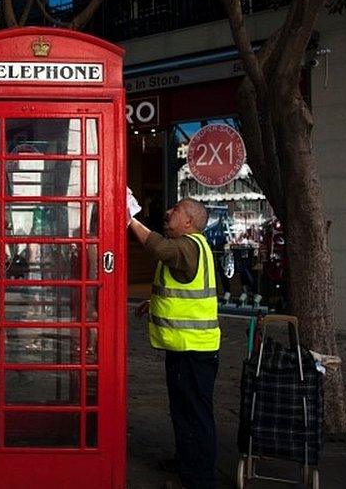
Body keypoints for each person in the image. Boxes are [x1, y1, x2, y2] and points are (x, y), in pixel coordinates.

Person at [128, 196, 220, 489]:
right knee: (183, 409)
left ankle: (198, 480)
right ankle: (186, 462)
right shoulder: (195, 246)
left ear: (190, 221)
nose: (168, 212)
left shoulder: (187, 246)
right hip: (188, 348)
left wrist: (129, 218)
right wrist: (152, 302)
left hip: (193, 348)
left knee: (194, 414)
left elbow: (157, 248)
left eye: (176, 210)